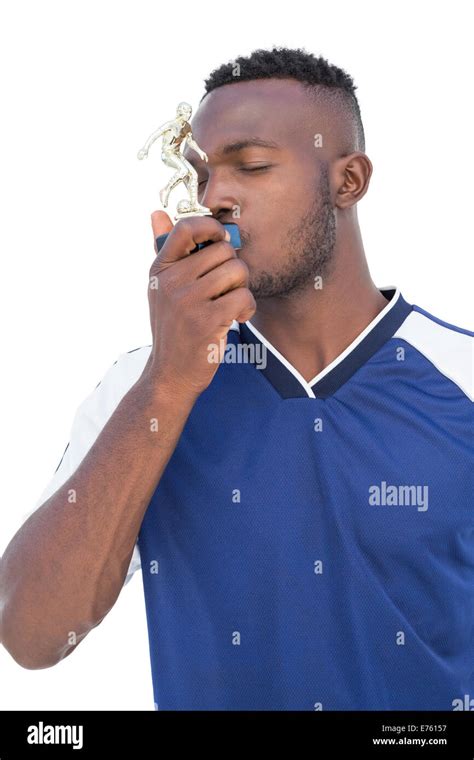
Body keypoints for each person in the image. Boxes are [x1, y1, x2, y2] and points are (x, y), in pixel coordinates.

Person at [1, 46, 472, 711]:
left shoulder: (462, 376)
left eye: (250, 166)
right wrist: (168, 383)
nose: (215, 197)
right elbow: (31, 634)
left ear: (349, 181)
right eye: (201, 174)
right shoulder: (143, 386)